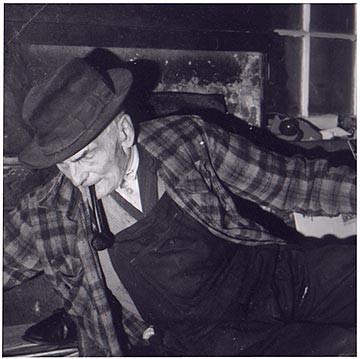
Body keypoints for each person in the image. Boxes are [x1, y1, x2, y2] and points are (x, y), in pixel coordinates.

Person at [4, 56, 356, 356]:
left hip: (277, 276)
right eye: (63, 164)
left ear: (123, 133)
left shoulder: (186, 140)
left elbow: (294, 183)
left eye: (84, 157)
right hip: (210, 344)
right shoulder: (45, 215)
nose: (76, 177)